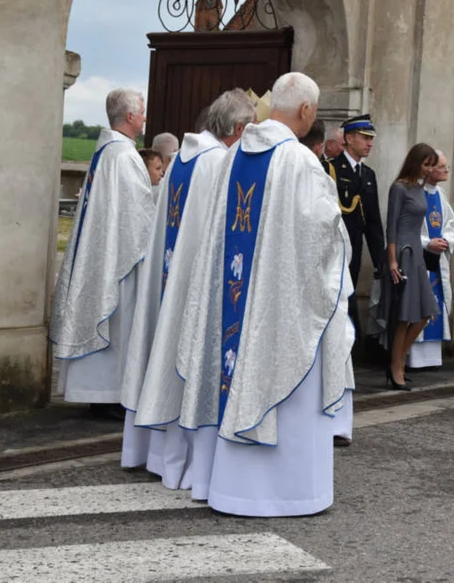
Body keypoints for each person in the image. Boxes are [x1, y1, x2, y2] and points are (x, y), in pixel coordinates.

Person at [174, 71, 354, 517]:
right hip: (279, 312)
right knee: (283, 379)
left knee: (233, 372)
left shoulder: (232, 156)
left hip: (233, 304)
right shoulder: (299, 162)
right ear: (308, 111)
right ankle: (286, 493)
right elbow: (324, 235)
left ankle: (227, 487)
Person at [124, 89, 255, 486]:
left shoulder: (183, 157)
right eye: (250, 129)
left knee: (166, 353)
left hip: (170, 284)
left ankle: (158, 457)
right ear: (237, 128)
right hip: (195, 288)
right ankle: (188, 466)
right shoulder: (218, 163)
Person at [51, 89, 155, 417]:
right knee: (118, 323)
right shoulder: (123, 157)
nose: (144, 118)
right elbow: (138, 215)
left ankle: (101, 394)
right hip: (119, 259)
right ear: (129, 117)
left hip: (106, 252)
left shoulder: (107, 152)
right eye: (142, 112)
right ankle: (108, 394)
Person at [379, 144, 440, 390]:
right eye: (426, 164)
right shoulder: (399, 188)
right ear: (415, 162)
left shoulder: (419, 188)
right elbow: (391, 226)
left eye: (432, 164)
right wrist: (392, 259)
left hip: (417, 253)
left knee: (426, 311)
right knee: (404, 316)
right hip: (402, 253)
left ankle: (397, 360)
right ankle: (396, 368)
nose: (429, 169)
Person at [329, 114, 385, 292]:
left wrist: (380, 261)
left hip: (356, 247)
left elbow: (373, 222)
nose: (370, 143)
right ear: (349, 138)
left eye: (371, 139)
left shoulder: (368, 175)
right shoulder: (331, 169)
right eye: (365, 138)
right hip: (335, 247)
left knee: (350, 291)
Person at [411, 150, 454, 370]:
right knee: (417, 303)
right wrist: (427, 242)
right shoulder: (413, 192)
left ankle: (431, 358)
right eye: (442, 167)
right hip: (419, 258)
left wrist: (446, 240)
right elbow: (405, 229)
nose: (446, 170)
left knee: (436, 301)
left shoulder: (441, 195)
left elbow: (450, 224)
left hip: (437, 260)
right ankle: (414, 358)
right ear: (427, 169)